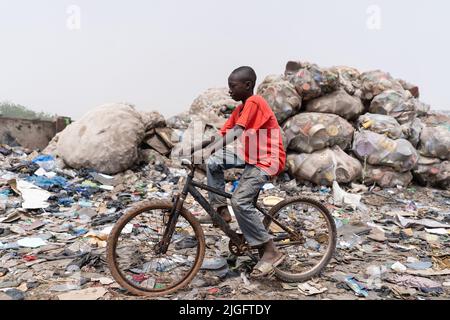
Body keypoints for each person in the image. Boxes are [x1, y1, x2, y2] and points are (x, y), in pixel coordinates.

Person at [193, 66, 287, 278]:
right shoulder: (240, 109)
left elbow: (237, 132)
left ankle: (271, 252)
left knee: (240, 201)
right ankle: (221, 211)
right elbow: (220, 135)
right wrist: (193, 149)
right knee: (214, 163)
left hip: (267, 160)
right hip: (250, 156)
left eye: (233, 87)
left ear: (248, 85)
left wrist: (207, 151)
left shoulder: (255, 102)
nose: (229, 91)